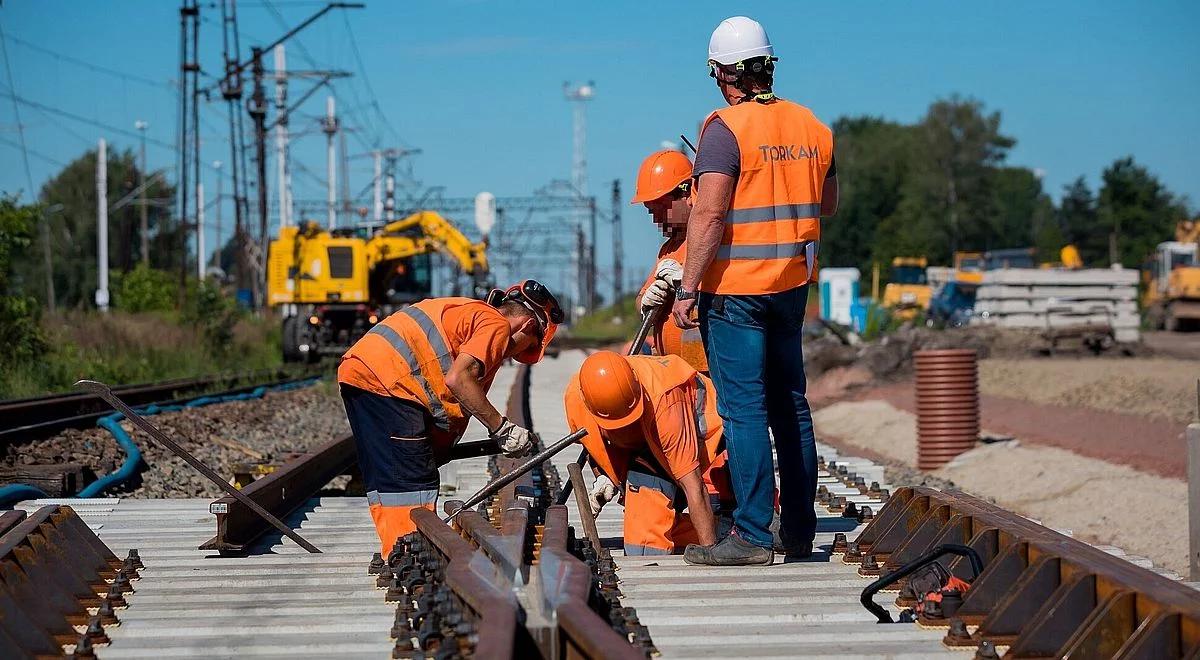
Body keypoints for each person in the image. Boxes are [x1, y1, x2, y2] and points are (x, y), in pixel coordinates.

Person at [671, 16, 839, 566]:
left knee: (744, 411)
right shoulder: (813, 126)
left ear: (722, 74)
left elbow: (711, 211)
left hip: (736, 292)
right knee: (792, 407)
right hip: (791, 287)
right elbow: (828, 204)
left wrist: (688, 287)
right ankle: (797, 531)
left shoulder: (723, 129)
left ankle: (750, 536)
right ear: (767, 67)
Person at [338, 280, 564, 554]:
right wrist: (502, 429)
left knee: (388, 478)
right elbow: (458, 380)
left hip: (362, 374)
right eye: (527, 347)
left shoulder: (471, 314)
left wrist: (439, 446)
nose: (516, 355)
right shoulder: (495, 325)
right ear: (528, 327)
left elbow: (446, 393)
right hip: (392, 383)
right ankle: (408, 555)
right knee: (410, 481)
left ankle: (396, 551)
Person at [565, 351, 731, 556]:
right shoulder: (577, 396)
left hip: (701, 440)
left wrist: (710, 553)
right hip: (646, 447)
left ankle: (725, 534)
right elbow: (595, 443)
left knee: (658, 528)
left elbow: (694, 486)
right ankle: (725, 530)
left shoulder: (666, 402)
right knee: (641, 542)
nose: (622, 429)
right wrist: (604, 477)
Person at [631, 149, 708, 373]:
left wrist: (687, 283)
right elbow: (641, 297)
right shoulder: (668, 249)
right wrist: (646, 299)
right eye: (650, 211)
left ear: (687, 193)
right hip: (673, 374)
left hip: (705, 371)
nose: (656, 218)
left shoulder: (710, 240)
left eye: (662, 208)